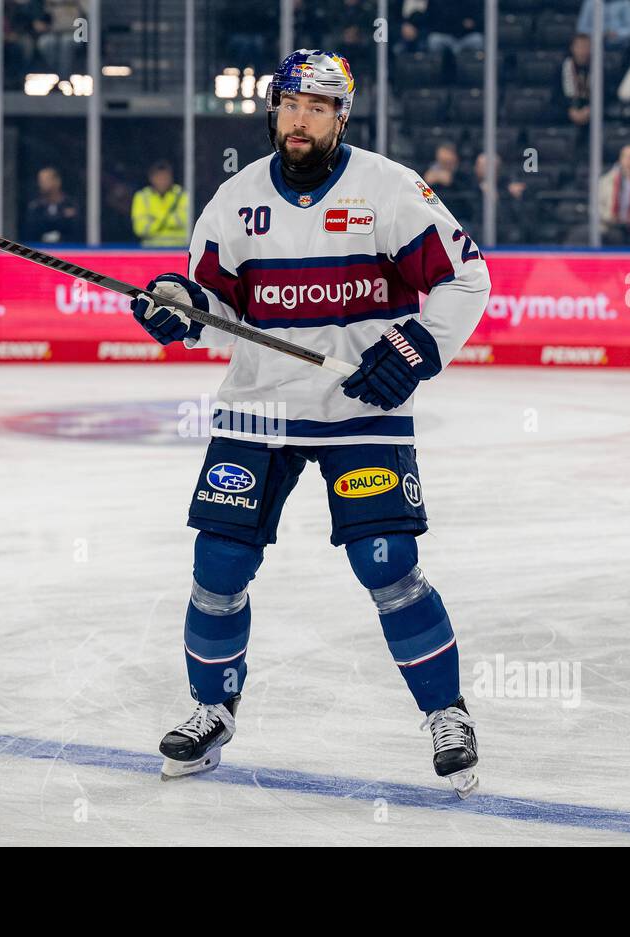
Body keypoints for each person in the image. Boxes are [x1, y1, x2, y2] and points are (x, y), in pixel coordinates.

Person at [128, 50, 489, 793]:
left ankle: (445, 713)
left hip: (360, 408)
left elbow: (466, 276)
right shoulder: (236, 199)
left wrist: (415, 346)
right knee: (218, 566)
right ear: (273, 111)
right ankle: (210, 711)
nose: (302, 120)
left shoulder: (389, 189)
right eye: (292, 105)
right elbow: (218, 315)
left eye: (319, 108)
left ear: (341, 119)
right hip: (260, 406)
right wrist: (178, 308)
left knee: (387, 563)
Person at [131, 159, 189, 247]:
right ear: (151, 178)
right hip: (150, 249)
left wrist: (154, 219)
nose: (162, 181)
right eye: (159, 177)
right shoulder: (142, 196)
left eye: (165, 177)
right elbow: (140, 228)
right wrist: (170, 219)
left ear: (171, 177)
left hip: (179, 248)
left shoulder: (182, 194)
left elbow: (185, 220)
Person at [23, 165, 82, 243]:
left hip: (68, 250)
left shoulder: (70, 204)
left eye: (46, 180)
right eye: (40, 181)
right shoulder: (35, 207)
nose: (41, 184)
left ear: (57, 181)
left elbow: (76, 231)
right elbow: (31, 232)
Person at [561, 34, 592, 127]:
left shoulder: (600, 71)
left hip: (591, 114)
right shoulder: (563, 68)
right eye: (579, 46)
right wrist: (570, 111)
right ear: (572, 48)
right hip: (567, 114)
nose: (582, 50)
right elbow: (557, 96)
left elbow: (606, 95)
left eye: (586, 46)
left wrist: (590, 110)